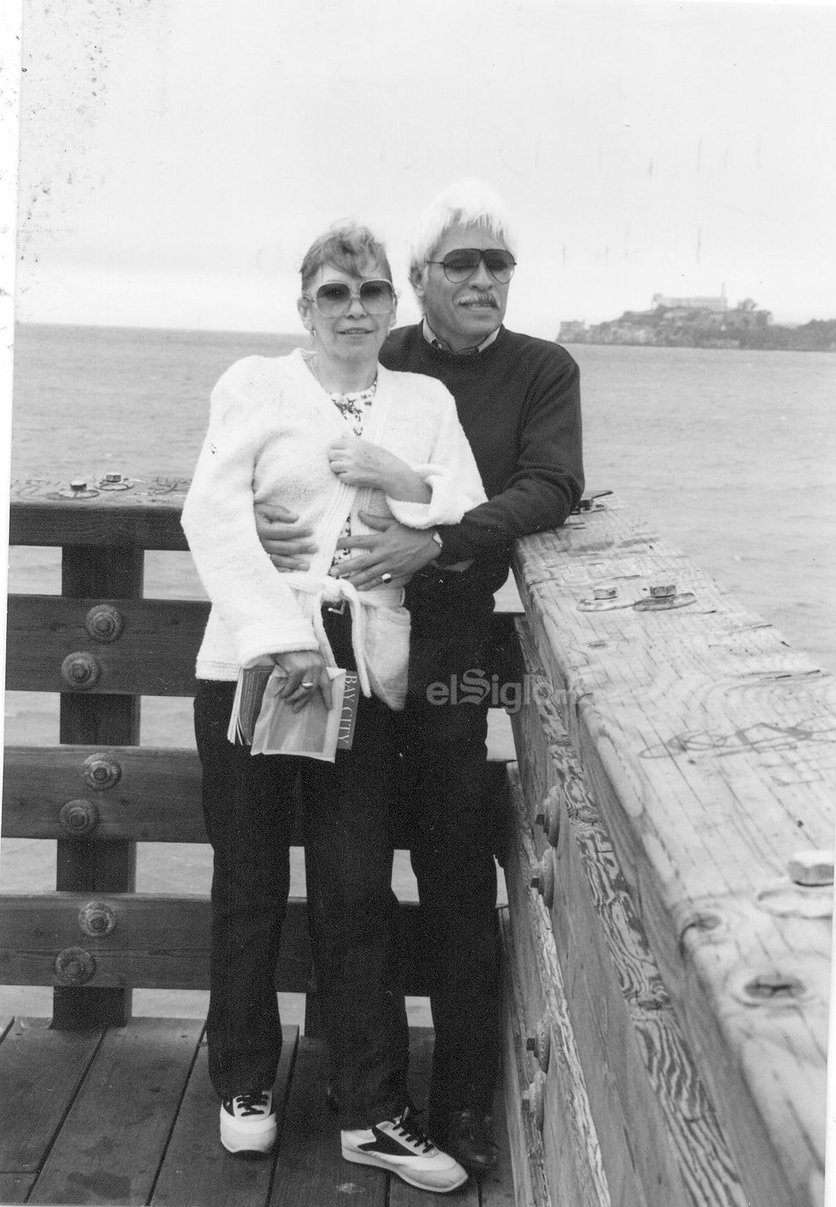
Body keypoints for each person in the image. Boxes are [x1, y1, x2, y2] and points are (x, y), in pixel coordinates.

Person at [256, 181, 585, 1173]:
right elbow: (290, 453)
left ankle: (463, 1104)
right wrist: (256, 522)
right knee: (350, 873)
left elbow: (550, 483)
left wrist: (430, 545)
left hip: (452, 653)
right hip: (354, 643)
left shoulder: (540, 368)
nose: (483, 280)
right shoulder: (384, 356)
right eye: (462, 264)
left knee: (451, 876)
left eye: (496, 264)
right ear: (416, 285)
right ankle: (362, 1085)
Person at [182, 222, 486, 1194]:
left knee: (356, 889)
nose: (353, 308)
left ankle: (371, 1111)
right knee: (249, 882)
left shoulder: (424, 398)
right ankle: (243, 1086)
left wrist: (405, 480)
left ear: (395, 305)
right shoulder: (253, 385)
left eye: (370, 293)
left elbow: (464, 500)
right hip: (254, 663)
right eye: (332, 292)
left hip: (361, 668)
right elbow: (212, 512)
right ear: (302, 303)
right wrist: (279, 637)